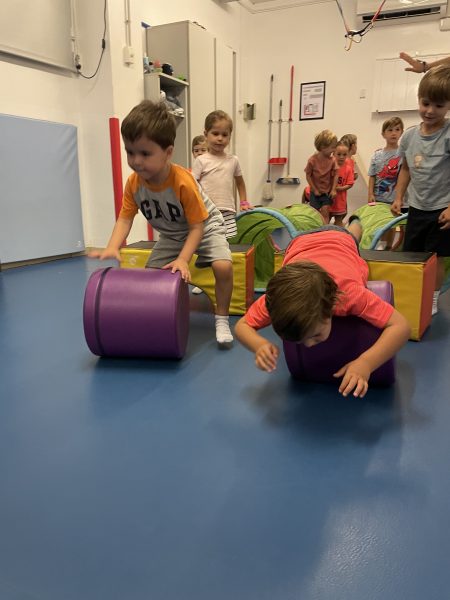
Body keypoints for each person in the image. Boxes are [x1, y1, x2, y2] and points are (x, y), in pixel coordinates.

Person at [89, 100, 234, 346]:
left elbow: (197, 227)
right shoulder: (134, 184)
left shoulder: (182, 182)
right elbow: (125, 218)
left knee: (223, 267)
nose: (136, 161)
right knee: (152, 277)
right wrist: (113, 246)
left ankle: (222, 318)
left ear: (168, 153)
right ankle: (161, 318)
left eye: (145, 154)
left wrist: (183, 259)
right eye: (130, 152)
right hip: (172, 235)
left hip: (206, 227)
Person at [235, 220, 411, 398]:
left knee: (353, 233)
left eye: (316, 335)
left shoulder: (349, 294)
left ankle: (356, 222)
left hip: (341, 239)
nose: (309, 345)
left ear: (331, 305)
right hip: (300, 242)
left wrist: (366, 363)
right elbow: (242, 326)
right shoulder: (277, 299)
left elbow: (401, 326)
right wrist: (259, 345)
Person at [391, 65, 450, 316]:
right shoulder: (409, 137)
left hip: (441, 209)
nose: (430, 110)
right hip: (417, 206)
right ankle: (414, 294)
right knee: (412, 255)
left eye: (439, 105)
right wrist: (398, 196)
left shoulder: (447, 134)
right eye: (425, 103)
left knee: (436, 257)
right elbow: (405, 168)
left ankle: (433, 298)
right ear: (418, 99)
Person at [192, 110, 252, 242]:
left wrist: (243, 202)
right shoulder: (201, 161)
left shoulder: (233, 160)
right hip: (206, 211)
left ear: (230, 137)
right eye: (215, 133)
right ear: (206, 134)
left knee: (226, 243)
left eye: (225, 135)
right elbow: (192, 185)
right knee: (206, 243)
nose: (220, 138)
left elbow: (240, 182)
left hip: (227, 211)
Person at [368, 117, 405, 249]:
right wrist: (370, 193)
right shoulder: (377, 155)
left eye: (397, 129)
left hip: (395, 199)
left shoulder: (403, 154)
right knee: (381, 223)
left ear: (401, 132)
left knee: (393, 224)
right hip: (380, 197)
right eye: (390, 130)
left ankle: (389, 247)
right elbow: (372, 176)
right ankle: (382, 245)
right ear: (383, 134)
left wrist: (400, 197)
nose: (393, 133)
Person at [304, 129, 338, 223]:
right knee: (314, 213)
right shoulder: (312, 160)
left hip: (327, 192)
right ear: (323, 147)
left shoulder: (332, 160)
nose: (334, 150)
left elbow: (336, 174)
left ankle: (325, 229)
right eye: (332, 147)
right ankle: (315, 227)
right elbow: (308, 175)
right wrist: (314, 189)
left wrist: (333, 189)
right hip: (315, 193)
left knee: (325, 211)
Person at [330, 141, 354, 227]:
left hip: (340, 201)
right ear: (333, 154)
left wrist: (340, 188)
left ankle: (338, 234)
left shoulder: (348, 169)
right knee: (325, 220)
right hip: (328, 199)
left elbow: (350, 183)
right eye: (339, 154)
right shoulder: (330, 166)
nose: (341, 157)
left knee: (339, 221)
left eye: (344, 155)